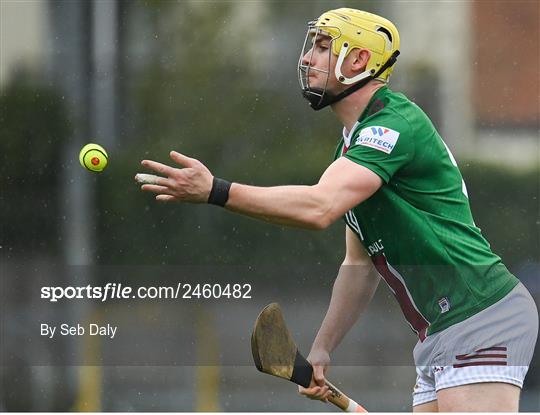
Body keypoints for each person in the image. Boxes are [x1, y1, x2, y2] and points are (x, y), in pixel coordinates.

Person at [137, 8, 538, 412]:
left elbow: (319, 207)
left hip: (480, 315)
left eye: (324, 46)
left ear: (359, 60)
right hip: (439, 331)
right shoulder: (352, 150)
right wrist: (323, 348)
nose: (308, 58)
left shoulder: (392, 126)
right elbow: (359, 265)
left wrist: (216, 191)